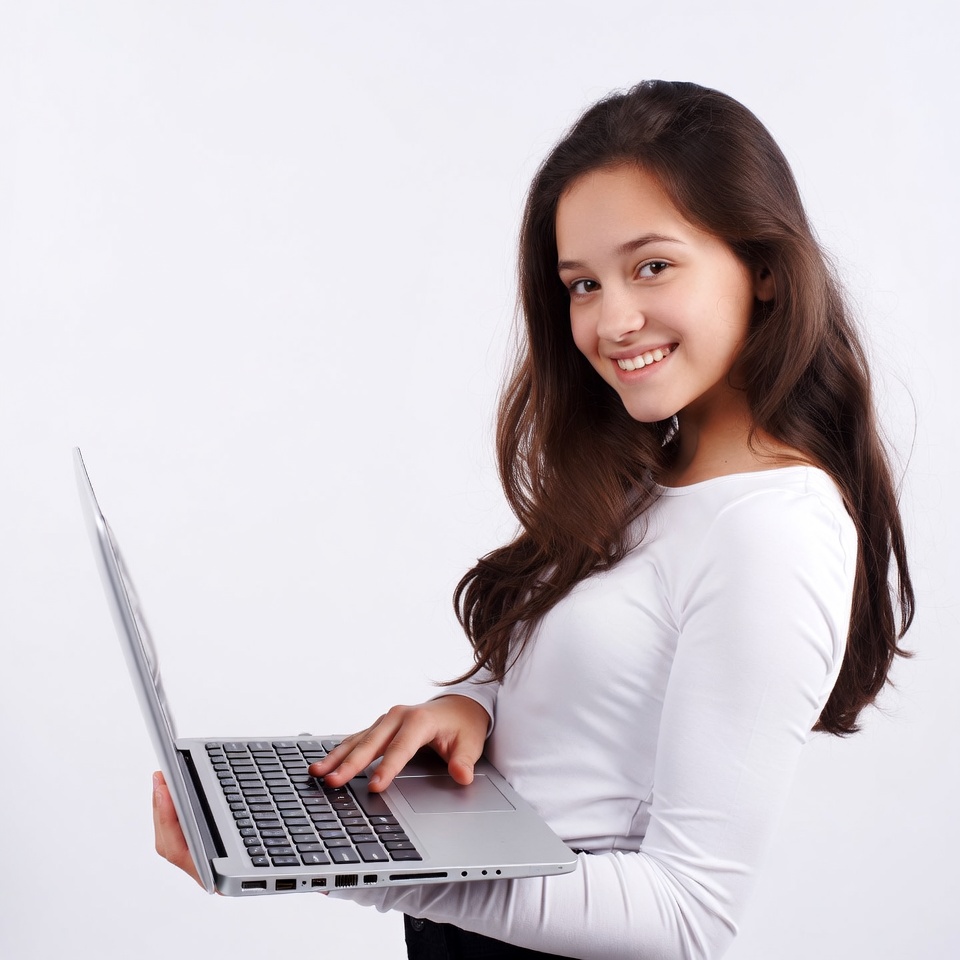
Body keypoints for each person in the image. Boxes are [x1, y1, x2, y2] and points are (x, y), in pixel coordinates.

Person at [153, 80, 914, 959]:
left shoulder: (772, 531)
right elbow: (591, 710)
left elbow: (689, 915)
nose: (611, 320)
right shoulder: (649, 479)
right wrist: (472, 709)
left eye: (652, 266)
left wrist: (348, 861)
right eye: (582, 284)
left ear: (767, 270)